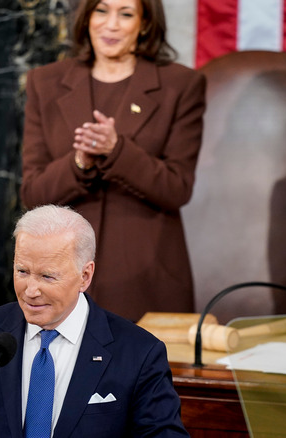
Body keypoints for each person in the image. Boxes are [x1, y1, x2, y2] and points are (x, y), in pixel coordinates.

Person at [0, 205, 189, 437]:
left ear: (85, 276)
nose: (31, 290)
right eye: (22, 271)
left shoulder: (139, 353)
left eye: (47, 276)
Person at [20, 0, 206, 322]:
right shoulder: (45, 82)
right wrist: (79, 161)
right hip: (61, 279)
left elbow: (177, 188)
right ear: (87, 17)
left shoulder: (181, 85)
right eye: (102, 10)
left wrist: (117, 150)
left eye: (126, 13)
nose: (111, 24)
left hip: (146, 279)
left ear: (145, 23)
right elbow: (33, 194)